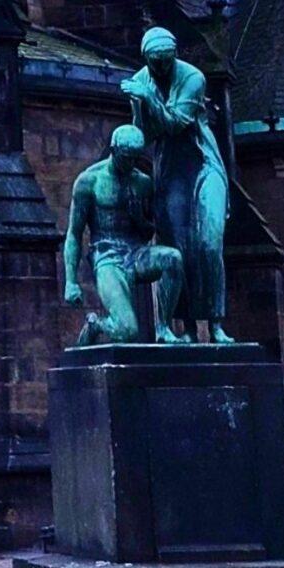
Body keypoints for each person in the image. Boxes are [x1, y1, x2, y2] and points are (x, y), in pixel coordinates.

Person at [123, 26, 232, 341]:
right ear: (146, 58)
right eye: (155, 62)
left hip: (202, 162)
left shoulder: (193, 77)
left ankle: (215, 324)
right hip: (170, 169)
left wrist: (147, 99)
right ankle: (184, 327)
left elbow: (175, 124)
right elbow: (144, 134)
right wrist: (137, 105)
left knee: (210, 244)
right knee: (177, 248)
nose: (161, 68)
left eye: (166, 60)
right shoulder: (142, 80)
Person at [63, 125, 185, 344]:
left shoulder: (143, 183)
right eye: (126, 158)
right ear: (114, 150)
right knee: (126, 331)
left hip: (136, 252)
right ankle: (96, 325)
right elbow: (74, 233)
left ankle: (163, 328)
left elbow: (149, 232)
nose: (130, 164)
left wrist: (139, 218)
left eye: (135, 158)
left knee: (173, 258)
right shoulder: (88, 181)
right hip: (107, 256)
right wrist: (71, 281)